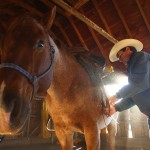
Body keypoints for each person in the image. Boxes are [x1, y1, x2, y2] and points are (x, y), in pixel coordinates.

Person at [104, 39, 150, 132]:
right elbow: (133, 96)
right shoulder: (133, 68)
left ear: (128, 49)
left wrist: (117, 95)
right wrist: (116, 108)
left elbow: (140, 82)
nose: (120, 60)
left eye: (119, 55)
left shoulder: (140, 56)